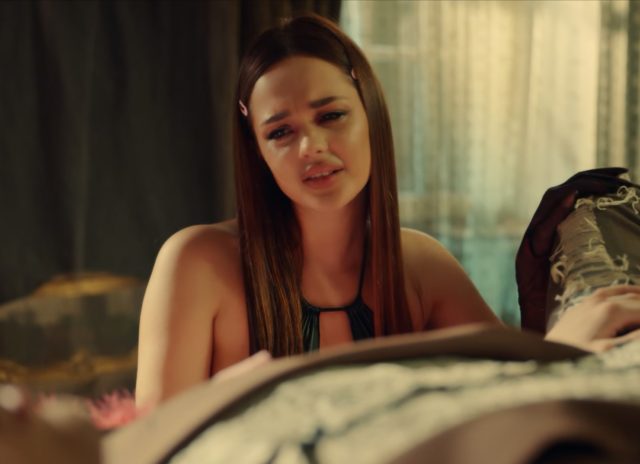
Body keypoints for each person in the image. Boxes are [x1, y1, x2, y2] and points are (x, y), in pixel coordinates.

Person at [134, 14, 640, 410]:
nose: (311, 146)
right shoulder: (196, 263)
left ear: (370, 113)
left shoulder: (420, 265)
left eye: (332, 115)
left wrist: (552, 324)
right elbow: (152, 448)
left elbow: (509, 397)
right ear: (258, 151)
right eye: (280, 132)